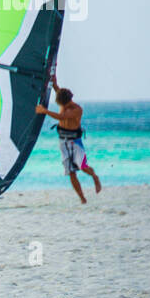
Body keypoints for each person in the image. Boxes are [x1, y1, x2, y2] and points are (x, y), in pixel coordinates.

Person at [35, 71, 101, 203]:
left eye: (63, 104)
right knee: (71, 172)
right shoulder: (63, 101)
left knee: (82, 167)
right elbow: (58, 91)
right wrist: (54, 81)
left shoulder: (77, 109)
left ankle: (94, 176)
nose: (62, 107)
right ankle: (82, 198)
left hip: (75, 142)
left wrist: (44, 111)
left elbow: (61, 117)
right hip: (63, 142)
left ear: (68, 101)